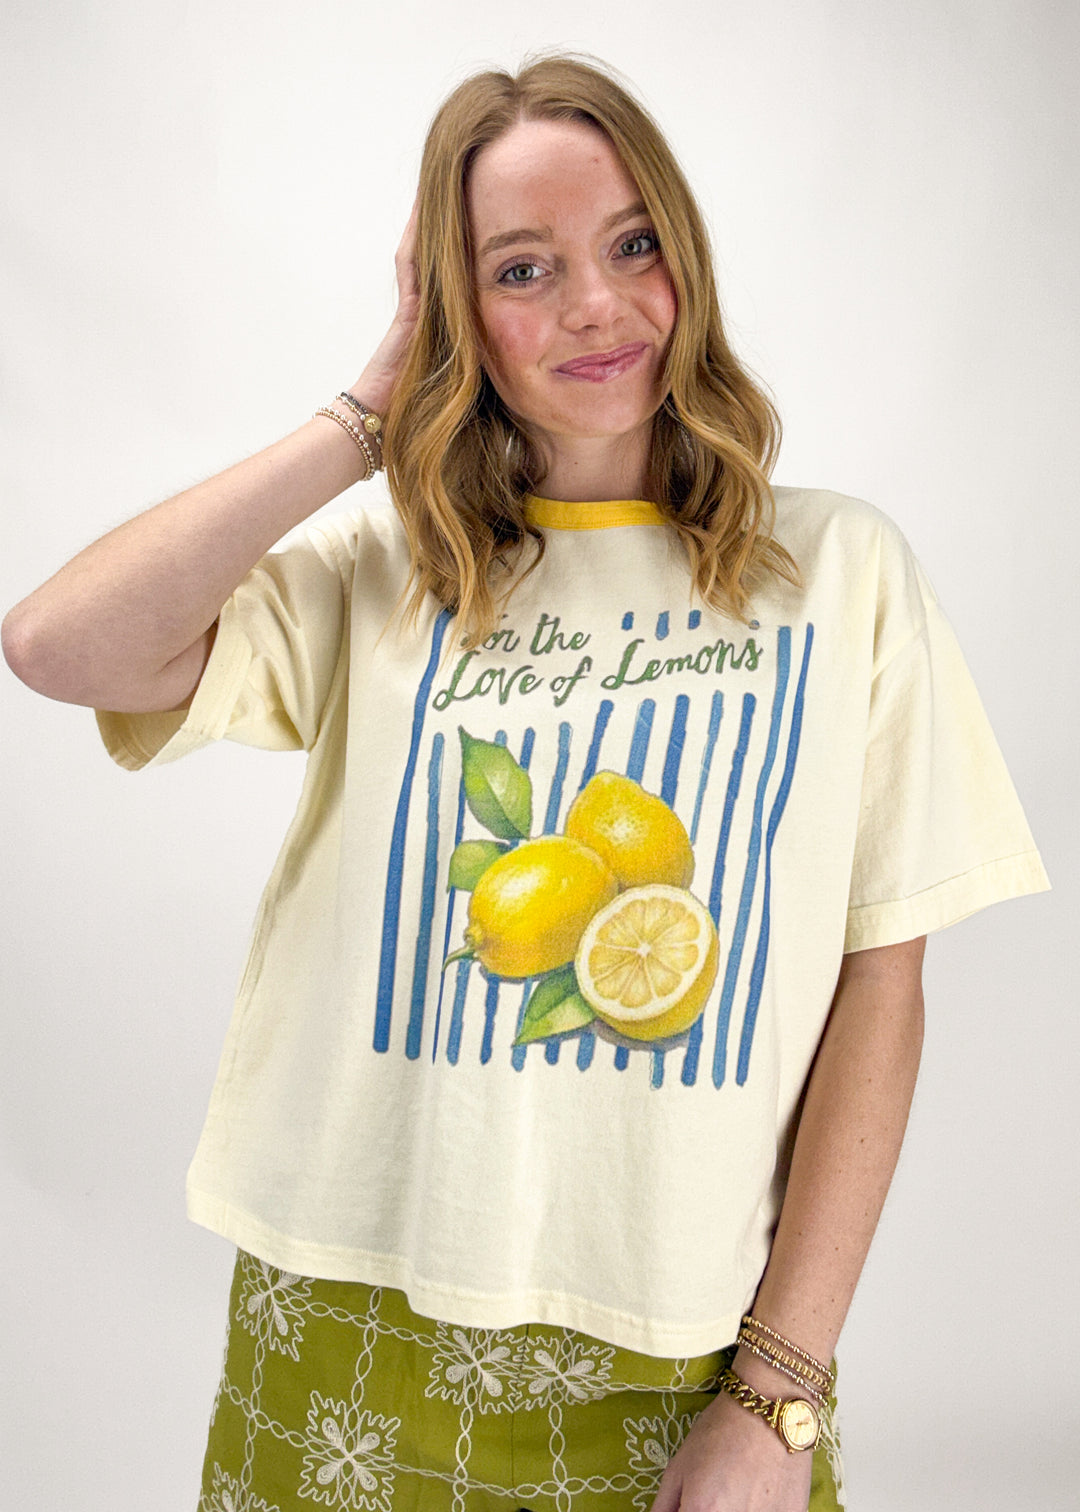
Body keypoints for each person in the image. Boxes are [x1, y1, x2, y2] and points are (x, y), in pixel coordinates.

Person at [2, 50, 1049, 1512]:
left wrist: (780, 1390)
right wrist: (367, 415)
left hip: (688, 1351)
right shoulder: (393, 577)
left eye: (632, 246)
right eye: (521, 269)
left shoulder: (837, 573)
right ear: (452, 309)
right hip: (349, 1319)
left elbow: (884, 986)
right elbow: (58, 645)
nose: (596, 307)